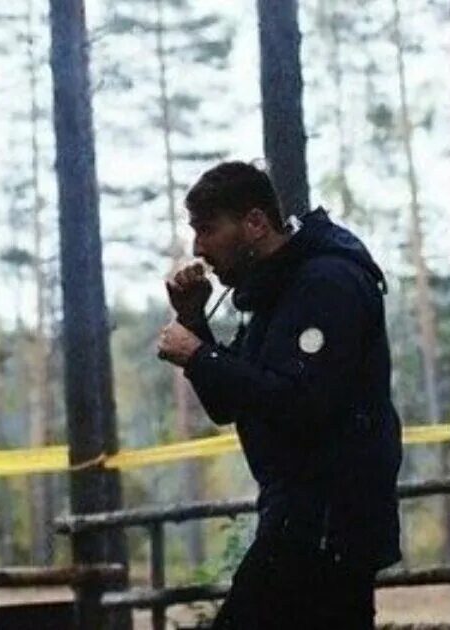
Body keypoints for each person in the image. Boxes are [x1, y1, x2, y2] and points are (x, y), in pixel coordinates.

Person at [156, 161, 402, 629]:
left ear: (254, 223)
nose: (199, 250)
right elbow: (231, 404)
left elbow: (302, 403)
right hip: (305, 517)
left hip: (328, 518)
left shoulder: (326, 283)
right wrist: (195, 323)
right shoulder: (277, 291)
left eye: (208, 230)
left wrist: (200, 357)